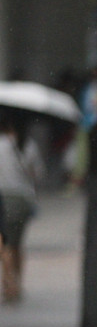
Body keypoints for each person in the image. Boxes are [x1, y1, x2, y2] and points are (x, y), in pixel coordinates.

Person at [0, 111, 42, 304]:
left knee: (6, 245)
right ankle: (18, 282)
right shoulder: (28, 145)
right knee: (18, 244)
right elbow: (38, 175)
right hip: (24, 200)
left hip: (4, 199)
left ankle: (10, 286)